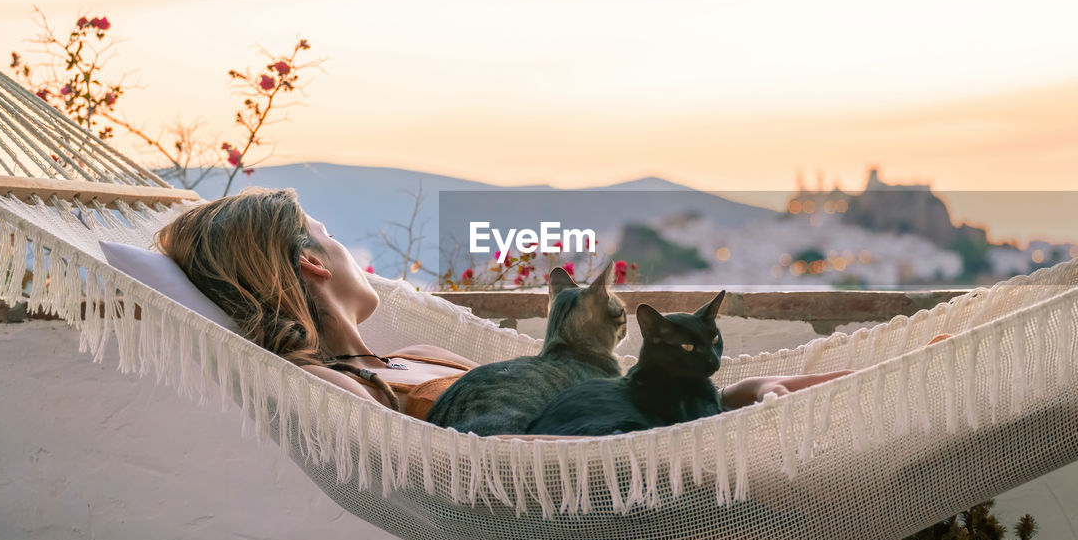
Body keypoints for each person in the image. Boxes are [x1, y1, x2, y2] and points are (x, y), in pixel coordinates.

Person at [154, 187, 866, 422]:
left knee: (762, 388)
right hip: (620, 472)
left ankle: (914, 373)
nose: (347, 250)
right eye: (330, 238)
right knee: (748, 397)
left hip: (654, 427)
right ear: (311, 263)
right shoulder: (335, 384)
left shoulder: (416, 356)